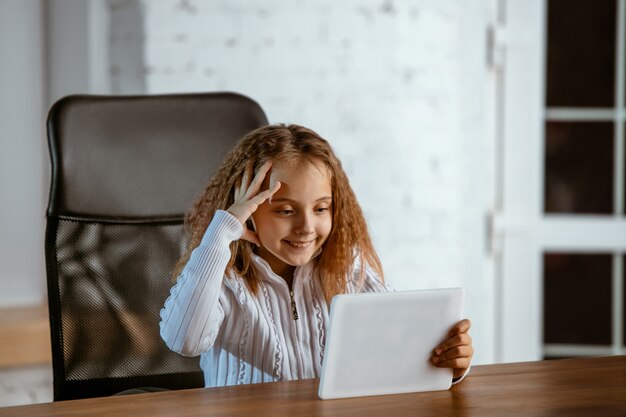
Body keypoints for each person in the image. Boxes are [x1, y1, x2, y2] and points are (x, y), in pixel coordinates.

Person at [160, 124, 473, 388]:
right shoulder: (224, 281)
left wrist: (449, 363)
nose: (306, 227)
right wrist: (223, 231)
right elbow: (183, 340)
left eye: (321, 208)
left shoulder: (345, 271)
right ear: (249, 213)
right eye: (285, 210)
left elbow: (400, 347)